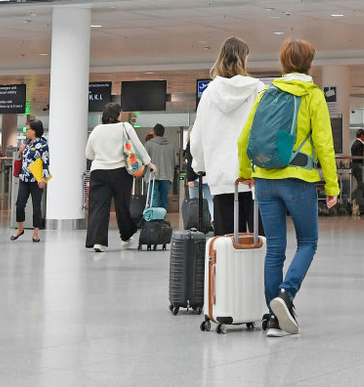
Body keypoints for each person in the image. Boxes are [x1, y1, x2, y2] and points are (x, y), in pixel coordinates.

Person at [238, 38, 339, 338]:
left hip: (265, 179)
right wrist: (332, 185)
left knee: (275, 250)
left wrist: (246, 172)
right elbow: (324, 144)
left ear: (283, 63)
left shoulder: (266, 92)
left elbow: (245, 137)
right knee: (308, 242)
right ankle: (286, 293)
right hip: (298, 180)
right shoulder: (312, 95)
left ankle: (273, 318)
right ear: (310, 63)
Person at [191, 36, 266, 236]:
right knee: (263, 241)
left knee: (226, 243)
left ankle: (228, 269)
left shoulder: (208, 94)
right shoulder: (258, 89)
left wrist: (200, 166)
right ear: (244, 59)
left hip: (222, 178)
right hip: (254, 178)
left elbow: (197, 137)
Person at [84, 104, 154, 252]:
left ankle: (98, 242)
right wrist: (148, 162)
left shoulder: (96, 130)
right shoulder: (125, 126)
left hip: (98, 172)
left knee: (98, 207)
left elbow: (88, 154)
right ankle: (126, 237)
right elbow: (138, 146)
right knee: (122, 206)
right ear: (117, 115)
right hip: (120, 171)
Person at [12, 120, 49, 243]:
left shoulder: (43, 144)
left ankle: (36, 233)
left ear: (34, 131)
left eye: (27, 129)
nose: (25, 132)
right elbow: (20, 160)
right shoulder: (26, 144)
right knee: (20, 205)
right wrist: (20, 152)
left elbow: (46, 162)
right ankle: (20, 229)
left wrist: (43, 179)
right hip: (24, 179)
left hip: (36, 180)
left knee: (36, 207)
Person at [144, 124, 177, 209]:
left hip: (152, 176)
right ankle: (161, 219)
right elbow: (175, 162)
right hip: (167, 176)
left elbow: (144, 161)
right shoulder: (171, 146)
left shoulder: (148, 144)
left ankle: (153, 220)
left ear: (154, 133)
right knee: (163, 200)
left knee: (152, 200)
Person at [350, 129, 364, 216]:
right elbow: (360, 157)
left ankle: (356, 198)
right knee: (361, 185)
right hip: (359, 168)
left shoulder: (353, 144)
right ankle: (354, 196)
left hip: (355, 168)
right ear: (362, 135)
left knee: (360, 185)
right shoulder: (360, 144)